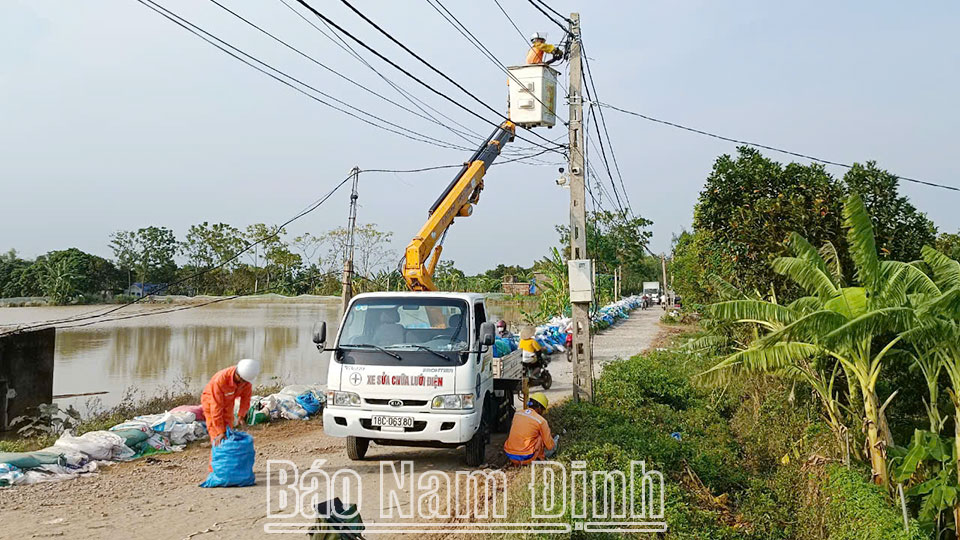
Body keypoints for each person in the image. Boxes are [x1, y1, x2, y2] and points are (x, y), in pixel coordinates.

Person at [201, 358, 260, 448]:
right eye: (242, 381)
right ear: (238, 375)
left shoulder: (246, 381)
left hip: (228, 402)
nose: (244, 383)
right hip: (211, 402)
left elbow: (246, 399)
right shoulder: (220, 381)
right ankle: (218, 456)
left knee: (229, 429)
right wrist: (220, 432)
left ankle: (228, 453)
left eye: (245, 382)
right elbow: (216, 409)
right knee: (217, 435)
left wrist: (241, 416)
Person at [504, 392, 558, 464]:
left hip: (510, 455)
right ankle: (539, 459)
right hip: (526, 458)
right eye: (543, 410)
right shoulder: (541, 421)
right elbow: (550, 446)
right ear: (539, 407)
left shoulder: (517, 414)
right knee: (541, 437)